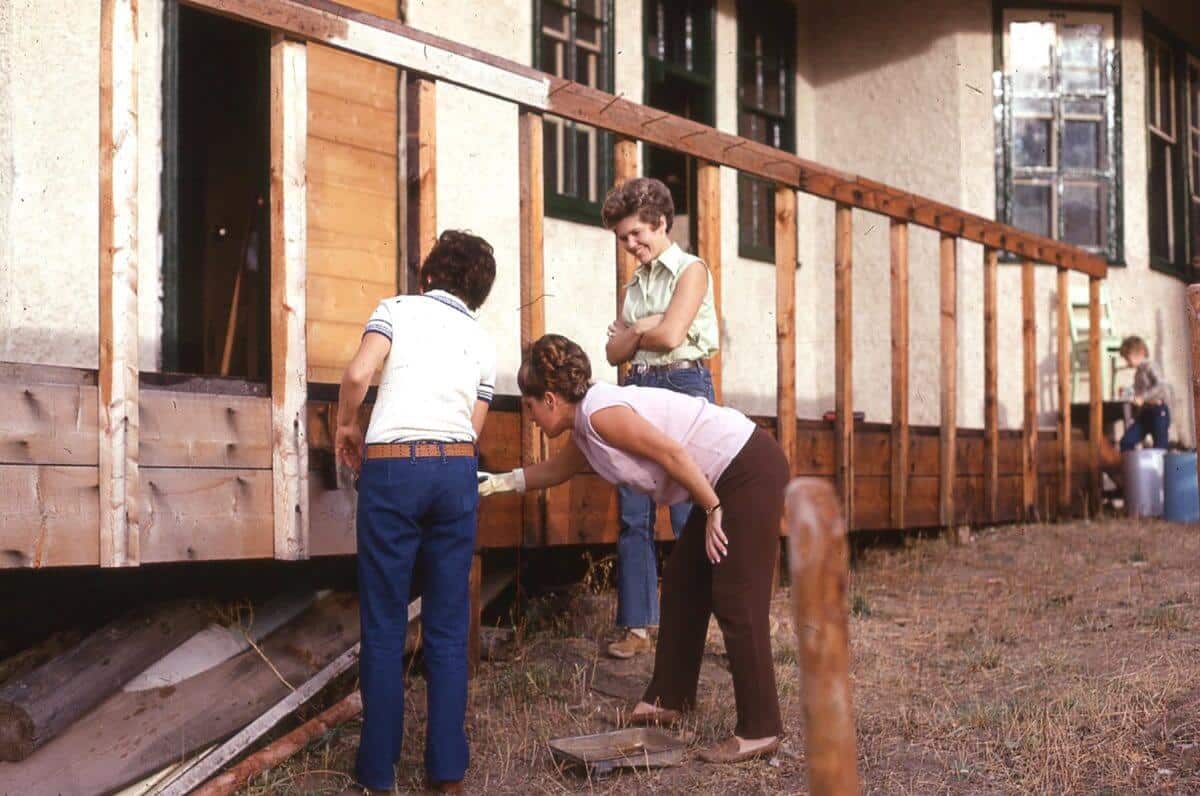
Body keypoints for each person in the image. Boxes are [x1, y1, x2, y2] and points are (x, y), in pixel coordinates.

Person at [479, 334, 787, 763]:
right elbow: (556, 470)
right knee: (682, 582)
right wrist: (500, 482)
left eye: (529, 407)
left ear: (549, 399)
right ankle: (668, 698)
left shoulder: (603, 415)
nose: (529, 418)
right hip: (722, 476)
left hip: (745, 467)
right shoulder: (586, 424)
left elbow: (671, 451)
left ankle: (760, 729)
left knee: (735, 595)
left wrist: (713, 506)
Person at [335, 230, 497, 794]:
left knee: (383, 624)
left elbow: (357, 376)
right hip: (454, 469)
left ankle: (378, 773)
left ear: (427, 275)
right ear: (479, 293)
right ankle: (447, 772)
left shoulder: (396, 310)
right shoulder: (481, 339)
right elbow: (474, 427)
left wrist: (348, 426)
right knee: (449, 627)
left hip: (393, 469)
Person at [601, 176, 719, 659]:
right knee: (633, 512)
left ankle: (702, 621)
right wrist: (642, 329)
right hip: (638, 387)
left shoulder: (692, 270)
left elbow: (671, 337)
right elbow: (612, 353)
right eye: (623, 238)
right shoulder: (635, 284)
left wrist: (638, 330)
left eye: (636, 235)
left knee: (691, 513)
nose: (631, 246)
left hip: (683, 384)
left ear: (661, 222)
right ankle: (637, 626)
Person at [1118, 335, 1171, 451]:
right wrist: (1127, 392)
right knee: (1126, 442)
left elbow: (1161, 385)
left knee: (1160, 447)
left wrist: (1143, 398)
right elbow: (1138, 390)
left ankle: (1160, 468)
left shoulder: (1151, 366)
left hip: (1158, 411)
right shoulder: (1138, 373)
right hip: (1144, 414)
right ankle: (1132, 466)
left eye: (1128, 358)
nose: (1127, 362)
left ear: (1140, 353)